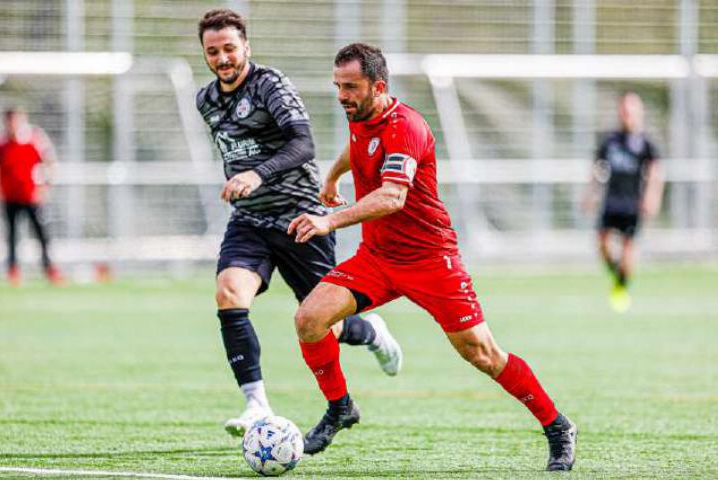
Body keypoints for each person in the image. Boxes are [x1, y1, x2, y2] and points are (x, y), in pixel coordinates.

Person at [288, 43, 577, 471]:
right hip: (377, 258)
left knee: (483, 354)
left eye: (350, 86)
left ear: (378, 86)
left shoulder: (407, 127)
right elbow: (359, 146)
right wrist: (333, 176)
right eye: (338, 86)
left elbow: (392, 197)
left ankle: (557, 425)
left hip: (430, 260)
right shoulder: (361, 116)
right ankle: (340, 407)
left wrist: (330, 220)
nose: (342, 95)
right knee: (309, 319)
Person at [195, 10, 402, 437]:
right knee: (229, 294)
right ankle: (256, 405)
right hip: (250, 220)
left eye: (229, 48)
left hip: (300, 217)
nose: (222, 58)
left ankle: (370, 331)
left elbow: (304, 144)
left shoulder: (270, 84)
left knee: (325, 320)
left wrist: (257, 174)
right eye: (213, 51)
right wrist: (242, 181)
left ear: (246, 47)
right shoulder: (206, 99)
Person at [583, 92, 663, 312]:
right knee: (603, 245)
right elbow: (596, 169)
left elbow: (655, 173)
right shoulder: (610, 141)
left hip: (632, 205)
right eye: (624, 110)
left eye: (632, 111)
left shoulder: (645, 144)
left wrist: (651, 198)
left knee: (628, 249)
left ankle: (621, 287)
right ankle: (618, 274)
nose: (627, 115)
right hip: (611, 203)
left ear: (639, 113)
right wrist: (589, 195)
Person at [0, 107, 63, 286]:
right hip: (10, 198)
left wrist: (45, 186)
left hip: (32, 197)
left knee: (42, 234)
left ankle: (49, 269)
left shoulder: (34, 140)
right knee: (12, 236)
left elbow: (50, 163)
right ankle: (13, 271)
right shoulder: (2, 145)